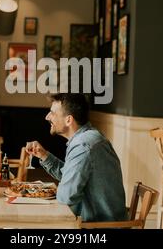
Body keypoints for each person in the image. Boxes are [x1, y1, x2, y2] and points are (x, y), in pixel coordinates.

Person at [26, 93, 127, 222]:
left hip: (98, 226)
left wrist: (50, 192)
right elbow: (69, 176)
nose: (47, 117)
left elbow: (66, 196)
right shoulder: (87, 137)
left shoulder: (83, 145)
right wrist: (44, 155)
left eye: (52, 113)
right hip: (97, 220)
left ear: (68, 120)